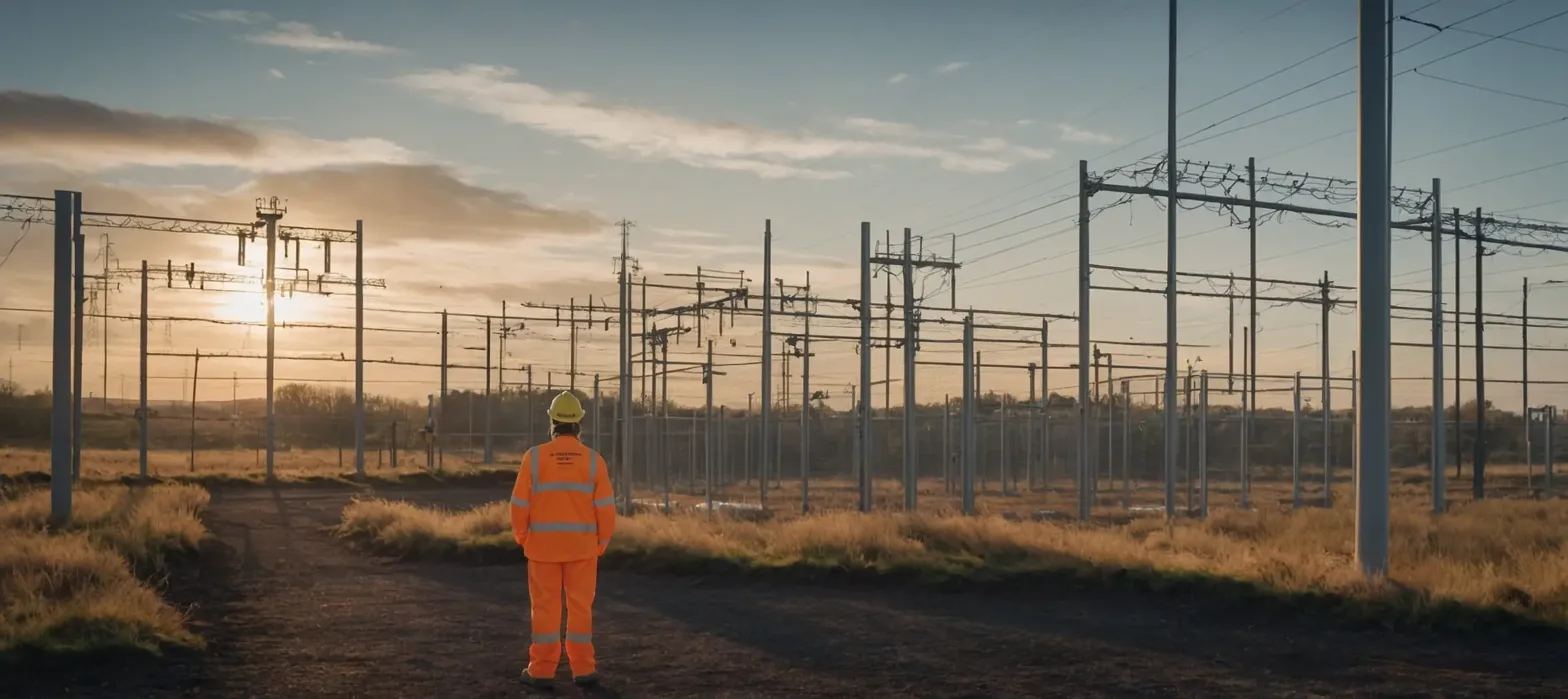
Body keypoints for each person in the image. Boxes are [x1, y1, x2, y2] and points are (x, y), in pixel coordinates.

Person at [509, 390, 616, 689]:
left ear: (553, 421)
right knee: (580, 609)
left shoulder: (534, 458)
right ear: (579, 423)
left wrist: (522, 537)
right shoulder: (594, 461)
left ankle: (541, 670)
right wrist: (601, 542)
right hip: (583, 549)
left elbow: (519, 505)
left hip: (542, 550)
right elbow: (605, 509)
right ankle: (583, 669)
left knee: (545, 610)